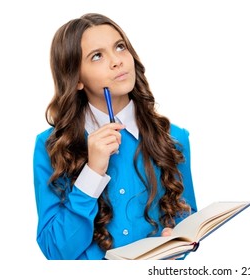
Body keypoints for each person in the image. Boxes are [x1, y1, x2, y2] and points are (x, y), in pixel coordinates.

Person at [32, 13, 197, 260]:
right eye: (97, 56)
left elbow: (185, 220)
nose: (117, 61)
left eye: (120, 47)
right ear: (76, 78)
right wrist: (92, 171)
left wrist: (177, 246)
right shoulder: (53, 147)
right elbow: (55, 252)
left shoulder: (174, 138)